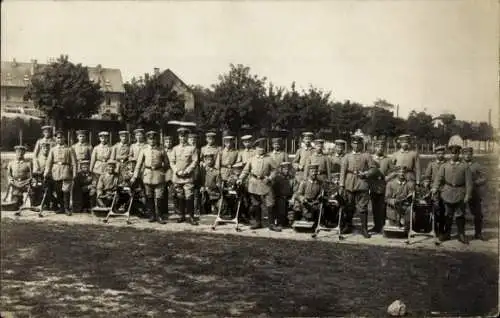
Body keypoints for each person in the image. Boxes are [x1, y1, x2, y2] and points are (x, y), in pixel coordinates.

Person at [432, 144, 473, 244]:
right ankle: (447, 234)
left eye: (456, 153)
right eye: (452, 153)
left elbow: (469, 182)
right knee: (447, 214)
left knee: (460, 214)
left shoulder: (465, 166)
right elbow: (438, 178)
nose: (454, 155)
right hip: (447, 192)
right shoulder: (444, 166)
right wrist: (435, 188)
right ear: (450, 154)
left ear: (459, 154)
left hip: (460, 192)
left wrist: (468, 195)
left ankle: (461, 234)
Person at [339, 134, 377, 238]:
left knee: (362, 207)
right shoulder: (347, 156)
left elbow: (373, 169)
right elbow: (343, 171)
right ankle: (348, 226)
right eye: (354, 144)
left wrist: (365, 174)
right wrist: (342, 185)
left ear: (361, 144)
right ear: (351, 144)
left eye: (358, 144)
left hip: (362, 183)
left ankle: (364, 229)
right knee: (349, 206)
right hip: (349, 183)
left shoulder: (366, 155)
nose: (356, 146)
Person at [237, 138, 278, 231]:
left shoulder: (269, 158)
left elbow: (275, 170)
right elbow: (245, 170)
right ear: (255, 149)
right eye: (259, 148)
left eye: (263, 148)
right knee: (256, 203)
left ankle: (271, 224)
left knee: (270, 203)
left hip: (265, 182)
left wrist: (270, 177)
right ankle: (258, 222)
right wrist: (240, 179)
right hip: (254, 183)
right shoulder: (252, 159)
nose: (261, 150)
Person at [132, 131, 170, 224]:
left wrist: (164, 173)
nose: (152, 141)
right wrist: (135, 176)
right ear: (147, 140)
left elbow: (167, 164)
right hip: (147, 174)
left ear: (156, 139)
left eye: (154, 139)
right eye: (150, 139)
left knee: (159, 196)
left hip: (159, 174)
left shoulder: (161, 150)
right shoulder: (144, 149)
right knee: (149, 195)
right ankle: (152, 215)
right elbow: (139, 164)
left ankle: (159, 216)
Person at [170, 127, 199, 225]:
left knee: (189, 196)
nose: (183, 138)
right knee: (180, 196)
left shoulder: (192, 148)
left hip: (188, 176)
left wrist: (187, 171)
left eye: (185, 136)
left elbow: (195, 161)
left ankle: (191, 216)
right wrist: (177, 171)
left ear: (187, 137)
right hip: (177, 176)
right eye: (181, 136)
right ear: (178, 137)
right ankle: (181, 215)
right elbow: (172, 162)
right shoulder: (175, 148)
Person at [44, 130, 77, 215]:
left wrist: (74, 173)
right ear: (55, 139)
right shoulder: (53, 149)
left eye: (61, 137)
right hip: (56, 171)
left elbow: (74, 162)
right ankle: (61, 207)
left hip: (66, 170)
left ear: (64, 138)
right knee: (58, 190)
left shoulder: (69, 149)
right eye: (58, 138)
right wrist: (46, 172)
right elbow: (49, 162)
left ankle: (67, 208)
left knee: (66, 190)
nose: (59, 139)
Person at [462, 146, 487, 240]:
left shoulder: (476, 165)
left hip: (474, 192)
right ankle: (461, 233)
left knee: (478, 213)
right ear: (462, 155)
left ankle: (478, 233)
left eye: (469, 154)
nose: (467, 156)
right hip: (462, 192)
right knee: (461, 213)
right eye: (465, 154)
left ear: (472, 155)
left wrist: (476, 182)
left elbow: (484, 177)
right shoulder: (460, 164)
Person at [369, 139, 393, 233]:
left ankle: (382, 226)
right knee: (374, 207)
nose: (379, 149)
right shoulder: (371, 159)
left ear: (384, 148)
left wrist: (388, 177)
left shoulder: (388, 159)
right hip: (373, 185)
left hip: (383, 186)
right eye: (378, 147)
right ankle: (376, 226)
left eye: (381, 147)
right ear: (374, 148)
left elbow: (394, 171)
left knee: (382, 207)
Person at [423, 145, 447, 235]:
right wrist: (426, 183)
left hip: (445, 188)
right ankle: (435, 228)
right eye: (438, 153)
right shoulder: (432, 164)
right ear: (436, 154)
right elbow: (427, 176)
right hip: (434, 189)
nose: (440, 155)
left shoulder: (447, 163)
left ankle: (442, 228)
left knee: (444, 209)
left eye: (442, 153)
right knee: (435, 209)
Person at [7, 145, 32, 212]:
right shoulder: (11, 163)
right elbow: (9, 175)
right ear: (15, 152)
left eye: (22, 152)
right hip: (15, 183)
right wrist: (12, 181)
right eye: (18, 152)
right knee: (15, 202)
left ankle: (32, 205)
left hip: (25, 183)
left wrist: (26, 182)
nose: (20, 154)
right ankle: (18, 203)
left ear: (24, 153)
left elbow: (31, 176)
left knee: (33, 192)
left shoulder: (28, 163)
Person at [273, 161, 295, 228]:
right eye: (285, 169)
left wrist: (293, 198)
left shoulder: (292, 178)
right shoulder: (277, 178)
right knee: (281, 206)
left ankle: (289, 221)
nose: (287, 171)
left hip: (289, 197)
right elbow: (274, 190)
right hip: (280, 197)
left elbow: (295, 189)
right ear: (281, 170)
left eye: (288, 169)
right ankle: (280, 222)